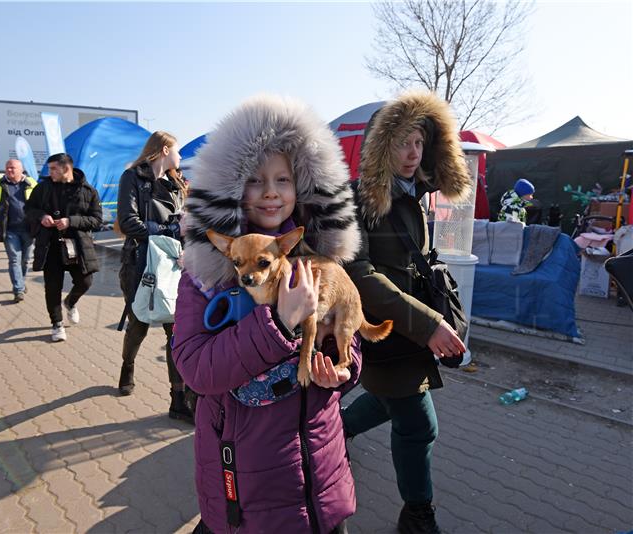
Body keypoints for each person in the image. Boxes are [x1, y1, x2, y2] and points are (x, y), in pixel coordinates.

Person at [173, 95, 363, 533]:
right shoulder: (207, 273)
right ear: (233, 188)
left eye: (283, 178)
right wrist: (277, 323)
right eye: (256, 180)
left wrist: (343, 369)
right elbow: (196, 370)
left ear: (304, 188)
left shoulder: (321, 258)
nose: (272, 192)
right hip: (248, 483)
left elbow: (348, 344)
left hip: (322, 476)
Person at [340, 91, 470, 534]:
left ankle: (336, 429)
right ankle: (417, 515)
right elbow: (359, 274)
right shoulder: (360, 200)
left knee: (387, 396)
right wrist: (427, 323)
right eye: (400, 142)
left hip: (409, 331)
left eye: (418, 141)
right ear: (381, 147)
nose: (412, 153)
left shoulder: (417, 192)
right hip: (386, 328)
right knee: (418, 425)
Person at [115, 131, 193, 421]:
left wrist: (187, 248)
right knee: (139, 324)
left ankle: (178, 400)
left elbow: (185, 223)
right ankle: (128, 365)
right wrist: (172, 231)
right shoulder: (132, 177)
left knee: (176, 332)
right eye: (178, 150)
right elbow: (127, 222)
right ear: (163, 149)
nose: (181, 157)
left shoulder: (176, 183)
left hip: (174, 266)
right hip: (140, 264)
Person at [25, 153, 102, 342]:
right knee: (52, 287)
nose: (49, 172)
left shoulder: (88, 191)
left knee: (85, 282)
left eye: (53, 169)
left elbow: (97, 220)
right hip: (50, 245)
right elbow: (29, 209)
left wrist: (71, 221)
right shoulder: (43, 188)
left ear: (66, 168)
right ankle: (57, 324)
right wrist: (41, 216)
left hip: (78, 246)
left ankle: (70, 302)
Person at [0, 159, 37, 302]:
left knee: (25, 261)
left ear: (21, 169)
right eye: (7, 168)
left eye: (12, 168)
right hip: (9, 230)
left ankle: (21, 281)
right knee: (14, 260)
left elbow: (41, 205)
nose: (9, 170)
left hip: (29, 229)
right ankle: (18, 289)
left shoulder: (31, 183)